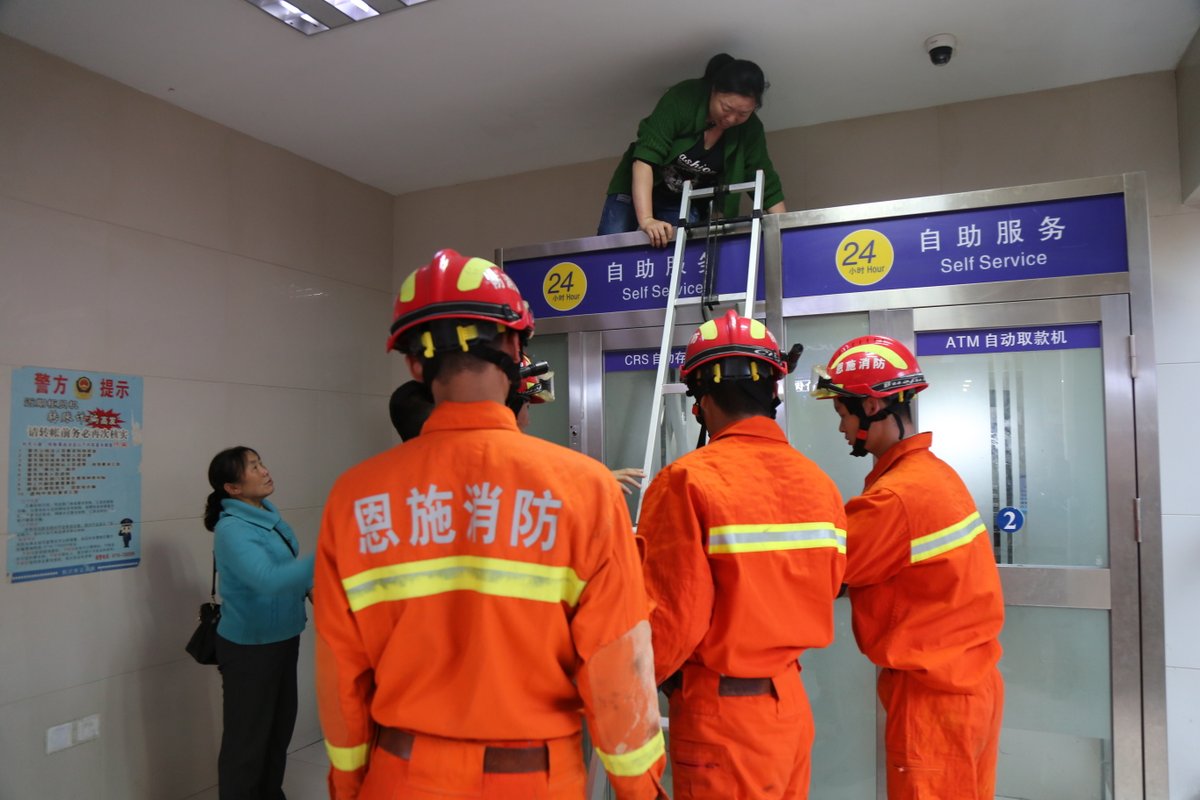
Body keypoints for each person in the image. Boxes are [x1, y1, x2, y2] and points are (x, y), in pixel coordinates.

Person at [313, 249, 666, 799]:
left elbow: (341, 675)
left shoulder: (354, 498)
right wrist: (638, 790)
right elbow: (618, 664)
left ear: (413, 364)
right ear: (515, 346)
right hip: (533, 781)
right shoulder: (585, 488)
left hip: (399, 777)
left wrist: (350, 784)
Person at [637, 310, 846, 799]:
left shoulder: (686, 481)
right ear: (774, 392)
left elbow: (672, 618)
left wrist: (622, 689)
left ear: (700, 402)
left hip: (722, 721)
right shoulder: (821, 485)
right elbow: (831, 582)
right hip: (790, 709)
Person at [811, 335, 1005, 799]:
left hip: (933, 701)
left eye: (843, 413)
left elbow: (822, 571)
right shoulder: (933, 474)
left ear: (873, 407)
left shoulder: (895, 498)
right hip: (968, 684)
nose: (840, 428)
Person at [204, 446, 314, 800]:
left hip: (284, 638)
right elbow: (267, 579)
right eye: (253, 467)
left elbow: (287, 569)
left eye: (261, 462)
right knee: (246, 743)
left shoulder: (268, 515)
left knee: (277, 734)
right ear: (232, 489)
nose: (264, 470)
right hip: (250, 648)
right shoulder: (232, 529)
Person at [598, 53, 787, 247]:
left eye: (743, 113)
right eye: (726, 108)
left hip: (681, 201)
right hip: (638, 185)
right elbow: (645, 158)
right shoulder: (682, 98)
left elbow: (766, 183)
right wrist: (646, 220)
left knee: (681, 252)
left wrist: (784, 233)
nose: (731, 119)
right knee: (610, 243)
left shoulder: (750, 129)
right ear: (713, 90)